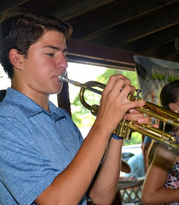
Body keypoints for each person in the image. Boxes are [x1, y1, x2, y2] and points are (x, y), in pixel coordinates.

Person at [0, 8, 151, 205]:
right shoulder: (6, 123)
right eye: (50, 53)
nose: (64, 63)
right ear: (17, 59)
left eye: (64, 53)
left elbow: (101, 196)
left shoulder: (62, 118)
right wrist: (103, 123)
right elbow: (56, 202)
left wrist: (117, 132)